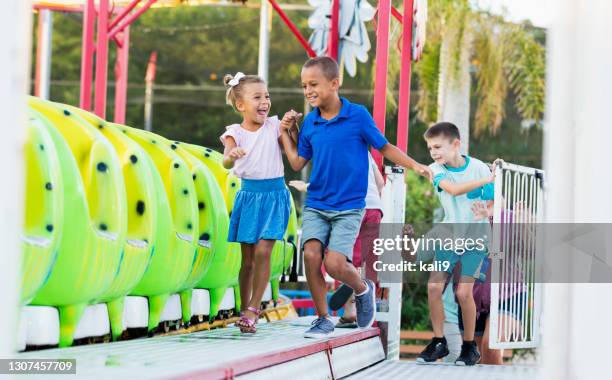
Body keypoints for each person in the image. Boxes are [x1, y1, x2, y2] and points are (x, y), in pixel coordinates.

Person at [279, 56, 432, 338]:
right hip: (317, 204)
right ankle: (324, 318)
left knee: (335, 264)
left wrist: (416, 165)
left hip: (349, 206)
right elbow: (298, 163)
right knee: (311, 255)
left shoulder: (358, 115)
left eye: (314, 84)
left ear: (334, 84)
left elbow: (384, 147)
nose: (308, 91)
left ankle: (363, 289)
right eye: (303, 86)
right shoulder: (311, 123)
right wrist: (285, 133)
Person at [416, 122, 494, 365]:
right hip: (450, 235)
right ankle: (439, 342)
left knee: (463, 292)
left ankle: (470, 347)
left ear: (456, 144)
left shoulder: (479, 167)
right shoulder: (436, 169)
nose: (434, 153)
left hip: (476, 238)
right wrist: (491, 178)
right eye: (430, 148)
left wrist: (486, 210)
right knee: (433, 288)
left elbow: (495, 200)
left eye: (438, 147)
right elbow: (455, 190)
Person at [220, 72, 291, 334]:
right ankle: (244, 307)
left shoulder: (274, 125)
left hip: (274, 196)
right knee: (247, 260)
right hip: (249, 198)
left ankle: (254, 309)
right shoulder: (234, 133)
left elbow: (291, 147)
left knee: (263, 252)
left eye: (267, 96)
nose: (265, 102)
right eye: (257, 97)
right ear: (241, 105)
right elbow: (226, 161)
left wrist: (290, 125)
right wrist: (233, 155)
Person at [290, 152, 385, 328]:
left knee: (345, 260)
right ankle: (365, 284)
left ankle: (350, 312)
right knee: (366, 258)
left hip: (353, 207)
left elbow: (333, 184)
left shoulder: (337, 150)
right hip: (375, 208)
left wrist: (305, 187)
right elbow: (380, 183)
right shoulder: (367, 153)